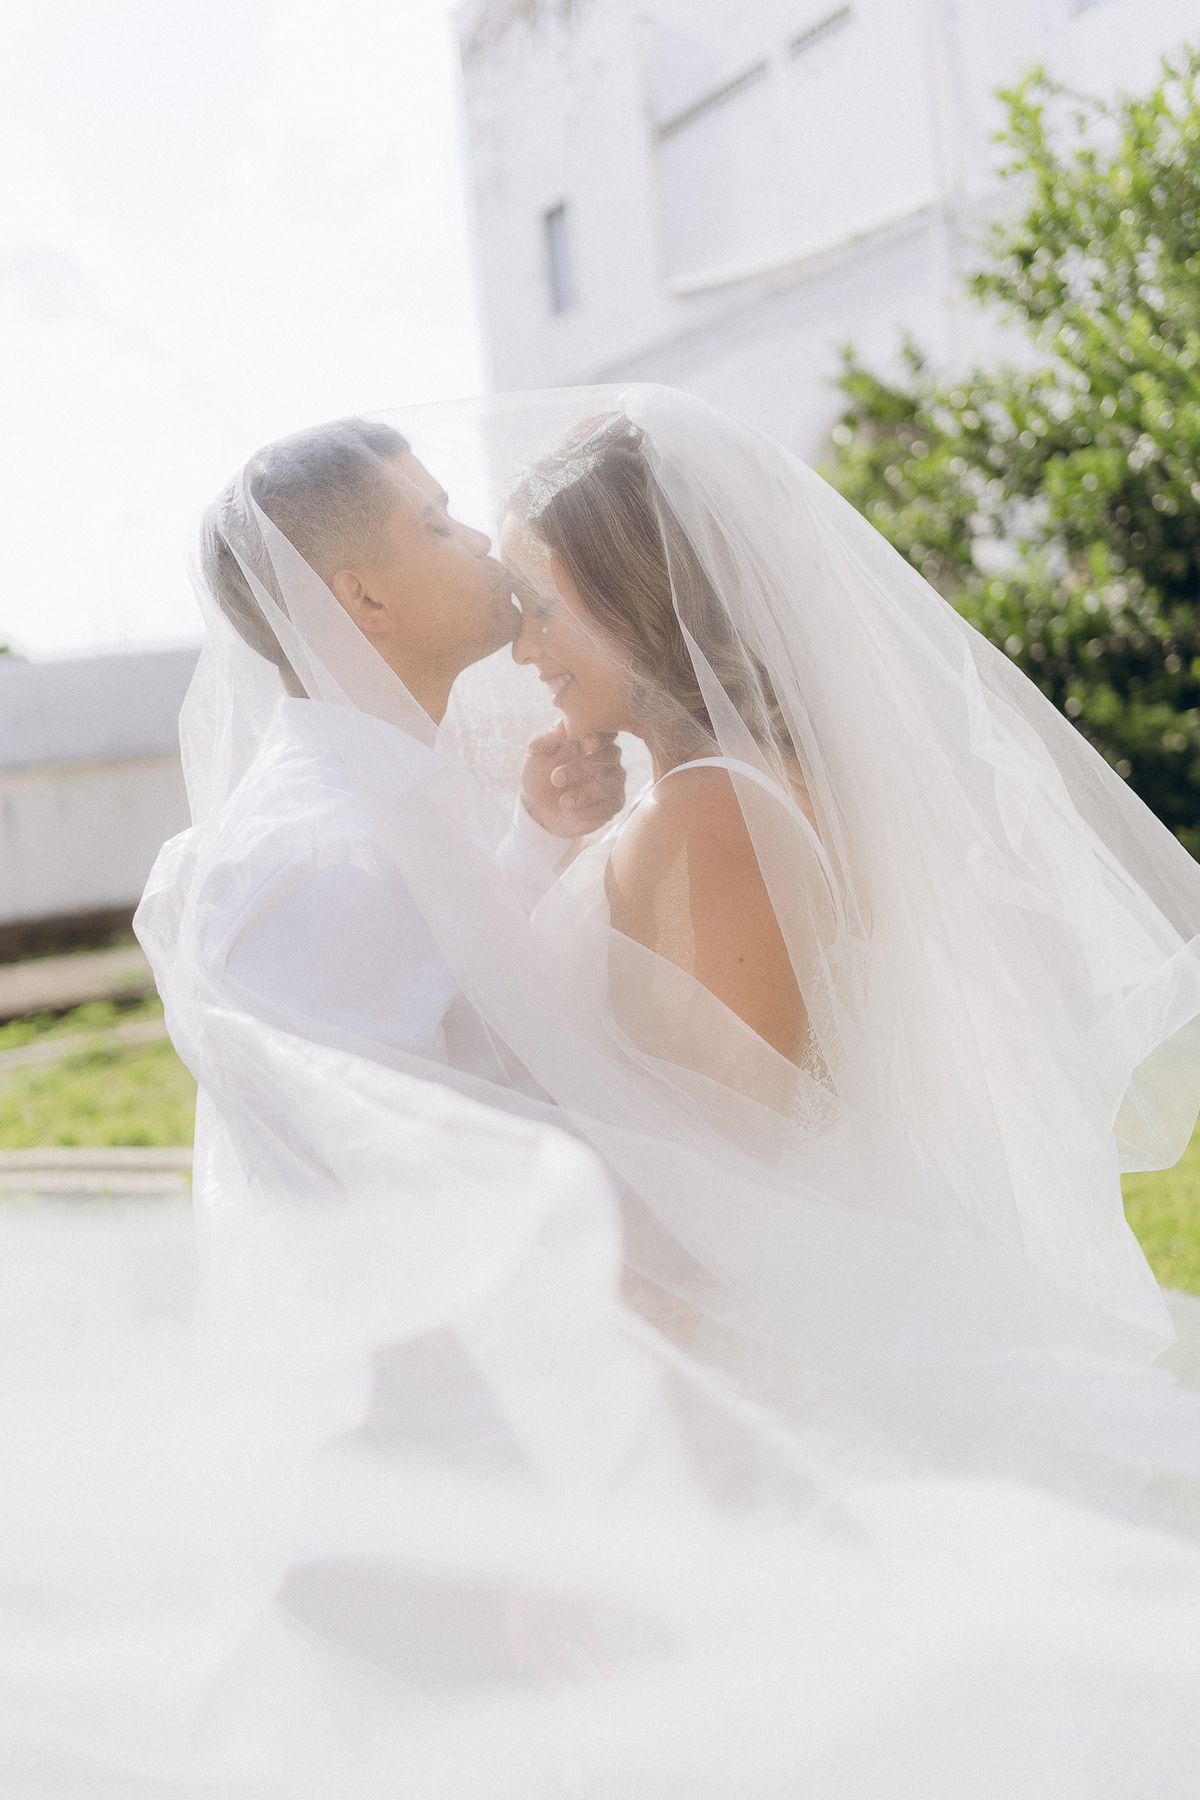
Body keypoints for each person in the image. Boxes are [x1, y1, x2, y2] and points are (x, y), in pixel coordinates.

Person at [44, 384, 1200, 1794]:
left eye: (542, 587)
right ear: (364, 595)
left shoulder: (632, 815)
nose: (503, 591)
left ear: (640, 607)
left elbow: (665, 1131)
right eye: (444, 525)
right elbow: (412, 1198)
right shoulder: (323, 857)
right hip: (494, 1463)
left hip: (679, 1394)